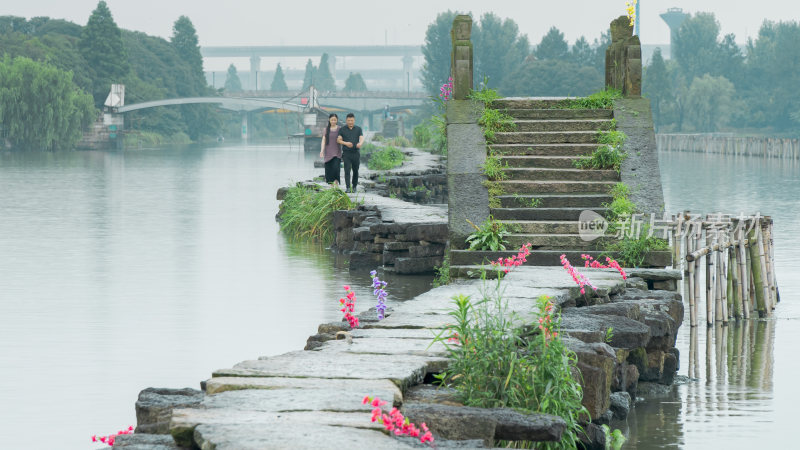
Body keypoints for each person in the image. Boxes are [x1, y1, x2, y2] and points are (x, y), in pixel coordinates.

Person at [337, 112, 364, 192]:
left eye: (351, 120)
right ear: (346, 120)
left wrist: (360, 143)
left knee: (356, 170)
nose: (350, 122)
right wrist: (346, 143)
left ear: (354, 120)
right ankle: (348, 187)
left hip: (356, 153)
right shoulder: (342, 129)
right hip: (346, 153)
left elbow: (361, 137)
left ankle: (354, 186)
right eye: (348, 120)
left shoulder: (358, 129)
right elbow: (338, 140)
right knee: (347, 170)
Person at [319, 113, 341, 186]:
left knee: (336, 169)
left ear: (337, 120)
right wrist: (322, 151)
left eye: (335, 120)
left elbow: (343, 139)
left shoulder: (339, 129)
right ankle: (332, 188)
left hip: (337, 153)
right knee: (329, 171)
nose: (333, 121)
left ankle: (336, 186)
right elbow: (323, 140)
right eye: (332, 120)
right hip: (328, 154)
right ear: (329, 120)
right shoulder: (326, 129)